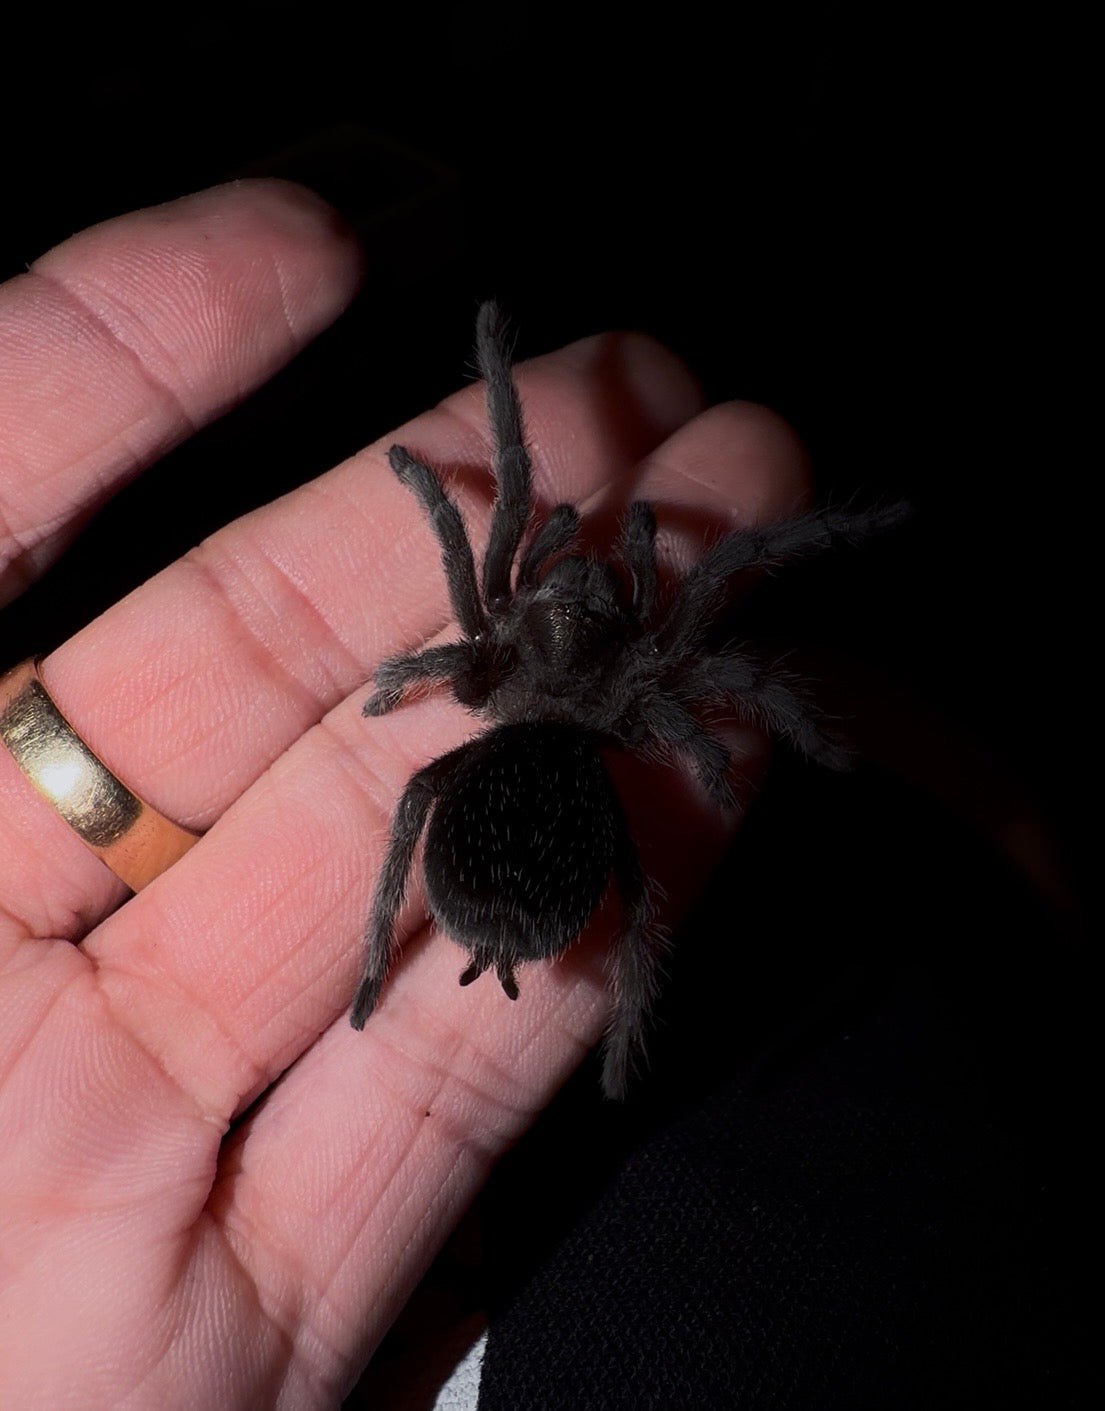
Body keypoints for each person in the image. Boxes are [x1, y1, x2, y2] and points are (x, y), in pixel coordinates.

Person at [0, 180, 811, 1406]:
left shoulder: (488, 633)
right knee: (720, 624)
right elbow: (711, 644)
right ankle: (605, 1025)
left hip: (511, 803)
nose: (575, 586)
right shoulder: (644, 690)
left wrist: (455, 477)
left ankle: (442, 978)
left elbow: (460, 539)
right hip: (557, 817)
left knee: (437, 781)